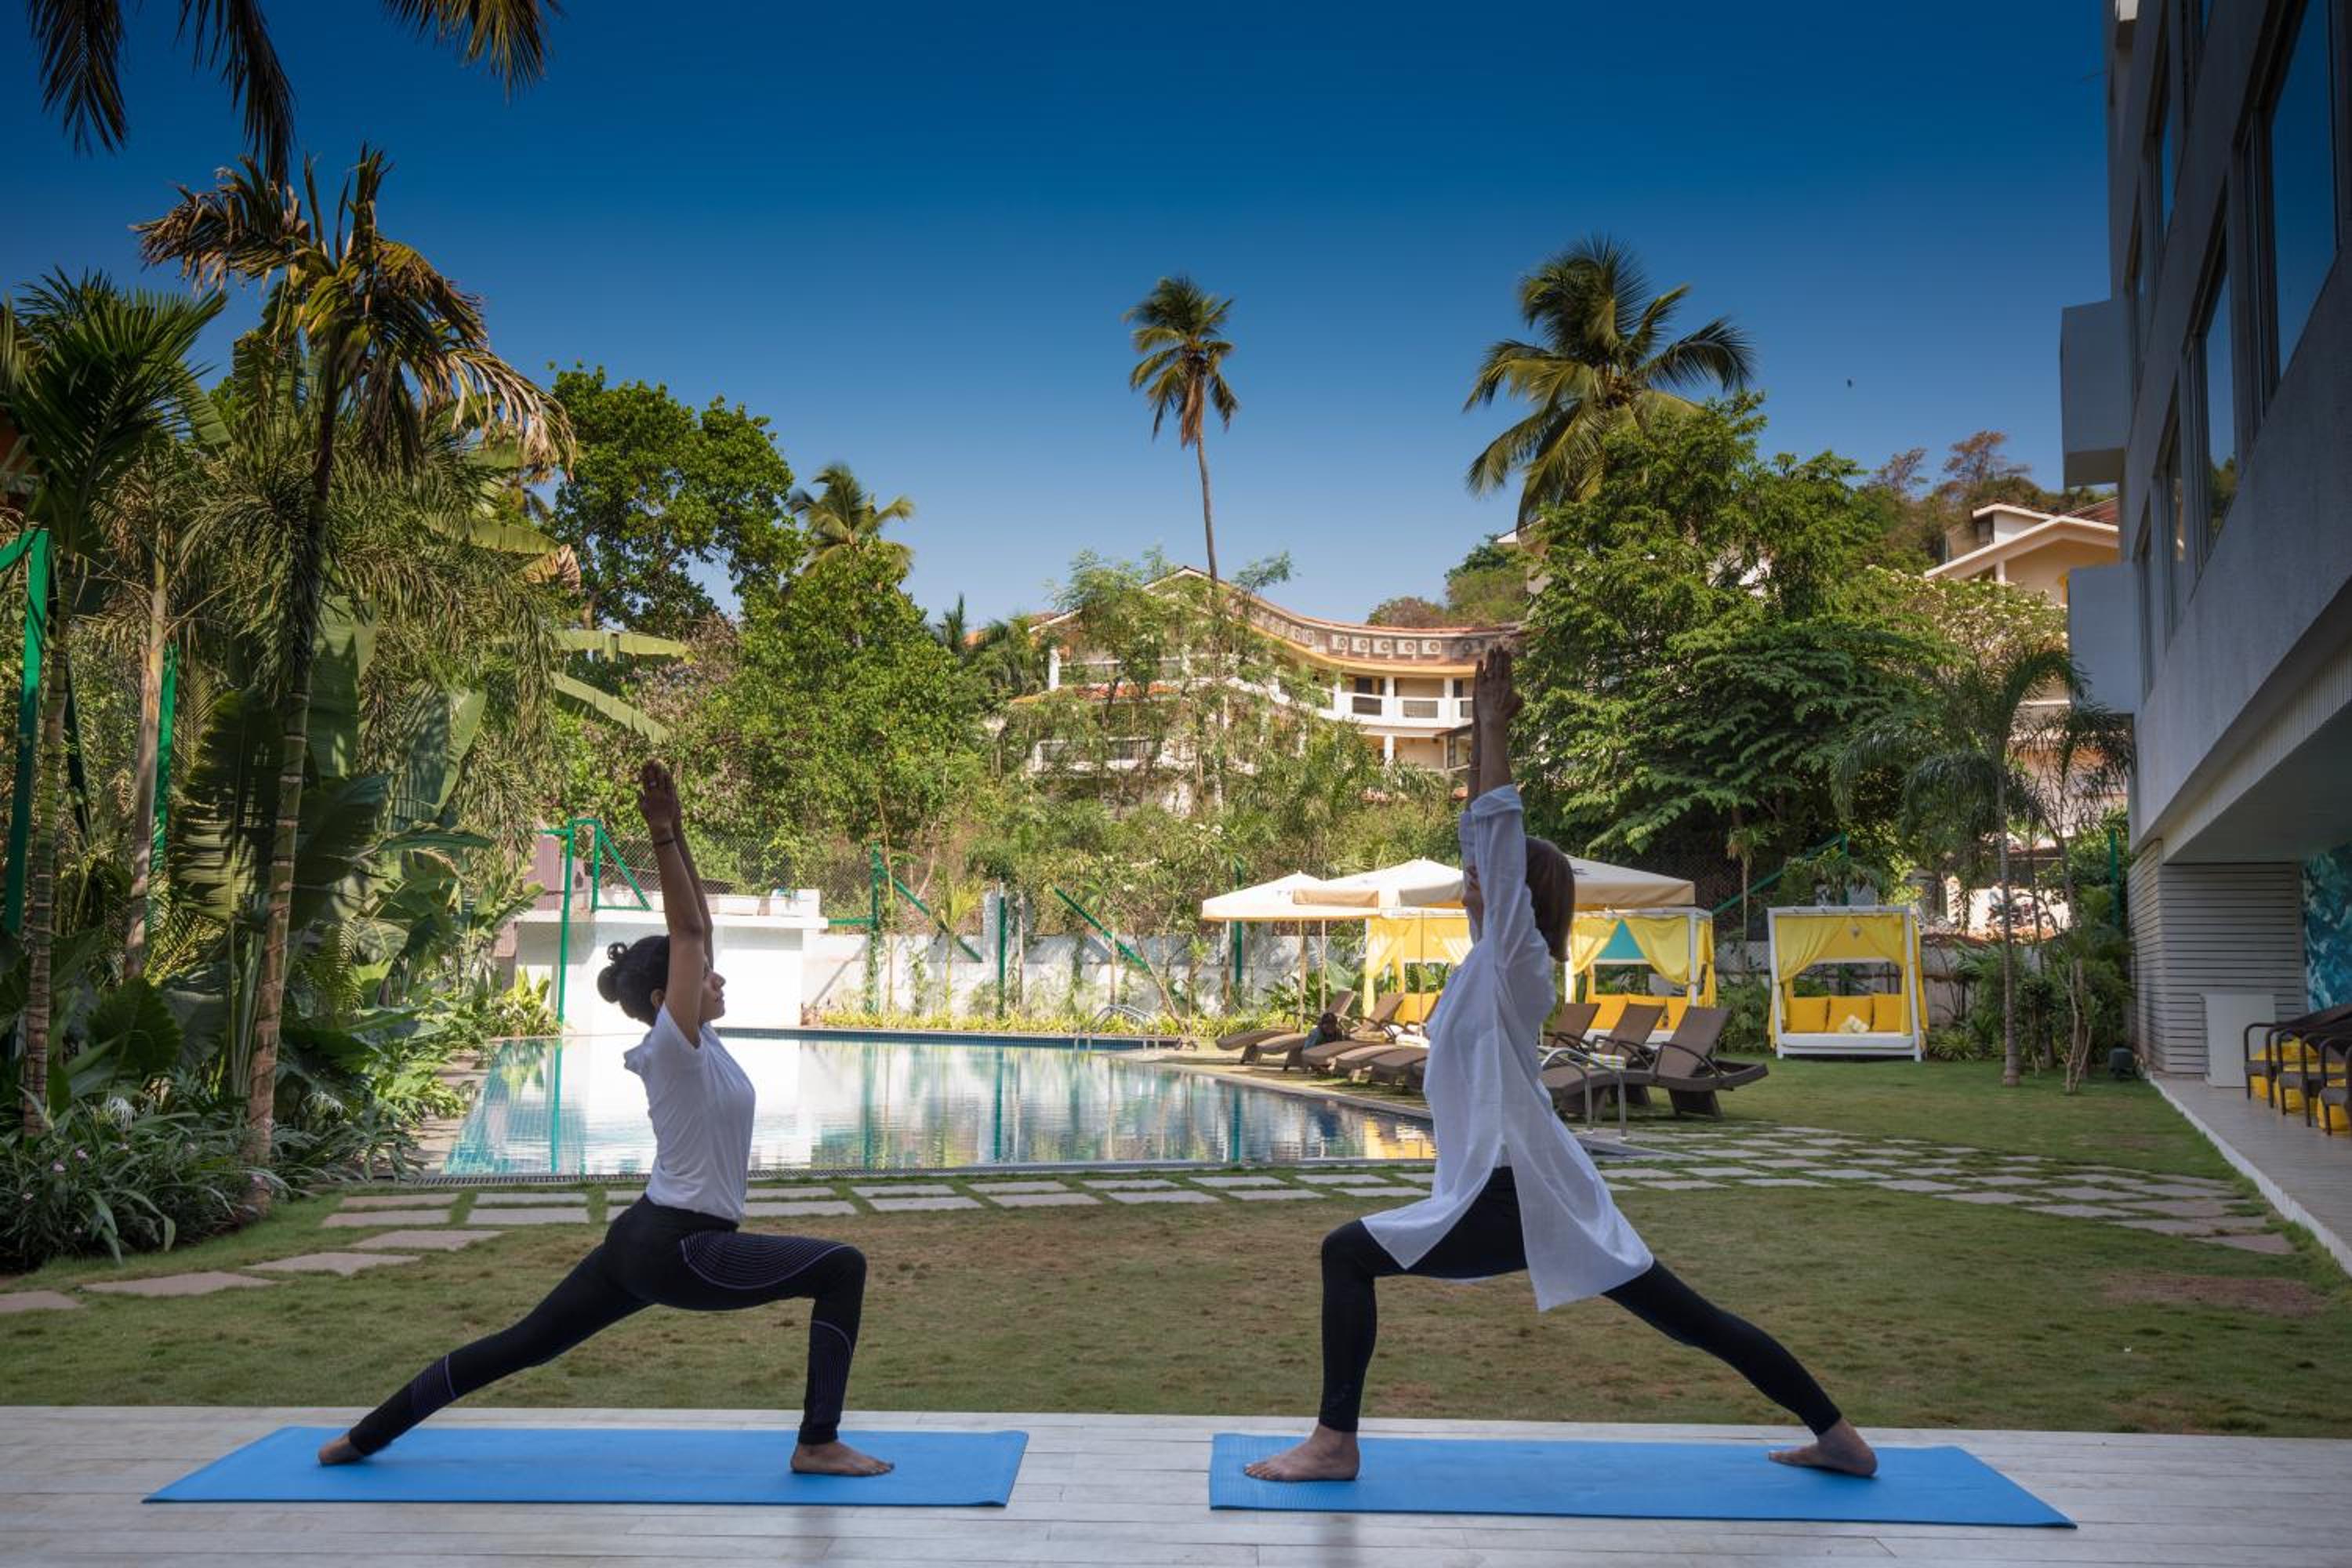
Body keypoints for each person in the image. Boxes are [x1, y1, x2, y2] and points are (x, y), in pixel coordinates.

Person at [1245, 648, 1875, 1483]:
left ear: (1519, 895)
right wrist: (1478, 730)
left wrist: (1496, 730)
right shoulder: (1489, 959)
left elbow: (1497, 837)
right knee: (1689, 1319)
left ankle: (1334, 1442)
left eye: (1487, 872)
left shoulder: (1519, 962)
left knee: (1346, 1253)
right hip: (1538, 1187)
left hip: (1513, 1191)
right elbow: (1483, 832)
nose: (1471, 871)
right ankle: (1840, 1437)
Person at [318, 761, 891, 1478]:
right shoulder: (674, 1048)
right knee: (842, 1268)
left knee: (523, 1345)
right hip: (683, 1247)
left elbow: (700, 928)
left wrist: (679, 828)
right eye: (702, 975)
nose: (716, 976)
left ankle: (362, 1438)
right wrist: (659, 835)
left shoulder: (698, 1041)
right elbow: (687, 930)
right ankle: (817, 1442)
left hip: (643, 1237)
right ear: (664, 998)